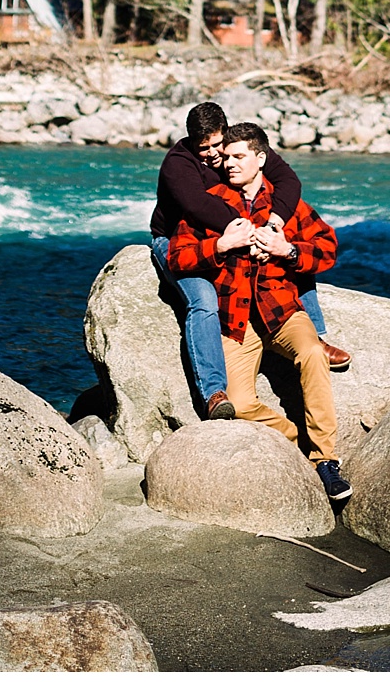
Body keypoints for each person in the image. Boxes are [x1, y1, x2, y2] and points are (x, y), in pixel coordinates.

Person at [167, 121, 353, 504]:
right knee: (238, 403)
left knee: (314, 354)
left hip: (282, 312)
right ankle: (298, 442)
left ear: (260, 159)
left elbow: (329, 248)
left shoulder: (286, 206)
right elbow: (177, 257)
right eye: (226, 157)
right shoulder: (211, 202)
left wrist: (289, 251)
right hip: (236, 322)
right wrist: (221, 244)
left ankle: (327, 460)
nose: (228, 164)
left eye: (238, 157)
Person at [150, 102, 349, 420]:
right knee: (203, 299)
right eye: (206, 148)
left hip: (236, 232)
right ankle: (214, 392)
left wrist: (274, 226)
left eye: (219, 144)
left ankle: (318, 338)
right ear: (192, 142)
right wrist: (250, 234)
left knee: (290, 251)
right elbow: (198, 206)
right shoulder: (179, 164)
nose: (215, 154)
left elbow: (289, 183)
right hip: (177, 238)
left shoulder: (240, 147)